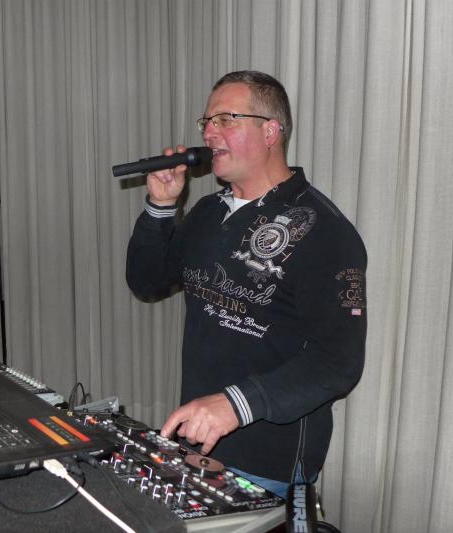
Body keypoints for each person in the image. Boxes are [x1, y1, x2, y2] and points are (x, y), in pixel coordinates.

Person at [126, 70, 367, 497]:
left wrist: (237, 404)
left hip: (270, 462)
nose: (209, 133)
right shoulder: (207, 212)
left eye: (226, 119)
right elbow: (147, 281)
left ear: (270, 131)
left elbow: (338, 362)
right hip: (199, 442)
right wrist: (161, 207)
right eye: (207, 122)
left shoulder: (325, 232)